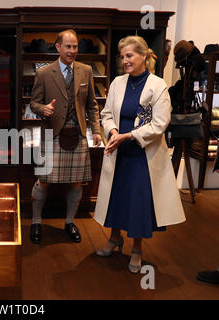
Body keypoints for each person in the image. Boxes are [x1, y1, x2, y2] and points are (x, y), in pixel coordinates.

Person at [93, 36, 186, 273]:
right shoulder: (117, 83)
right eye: (122, 56)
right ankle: (114, 239)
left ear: (144, 56)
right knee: (116, 197)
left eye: (129, 56)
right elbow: (106, 114)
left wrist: (127, 136)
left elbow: (159, 123)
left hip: (142, 155)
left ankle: (136, 249)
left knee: (137, 203)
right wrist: (113, 131)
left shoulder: (157, 86)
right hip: (118, 152)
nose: (124, 60)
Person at [29, 29, 101, 244]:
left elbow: (92, 105)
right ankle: (36, 222)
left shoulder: (86, 70)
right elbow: (33, 103)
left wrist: (96, 131)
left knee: (77, 182)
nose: (72, 51)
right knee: (43, 181)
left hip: (77, 134)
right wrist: (43, 110)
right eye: (68, 46)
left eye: (75, 46)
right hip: (52, 133)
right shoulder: (44, 73)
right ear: (58, 47)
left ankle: (69, 222)